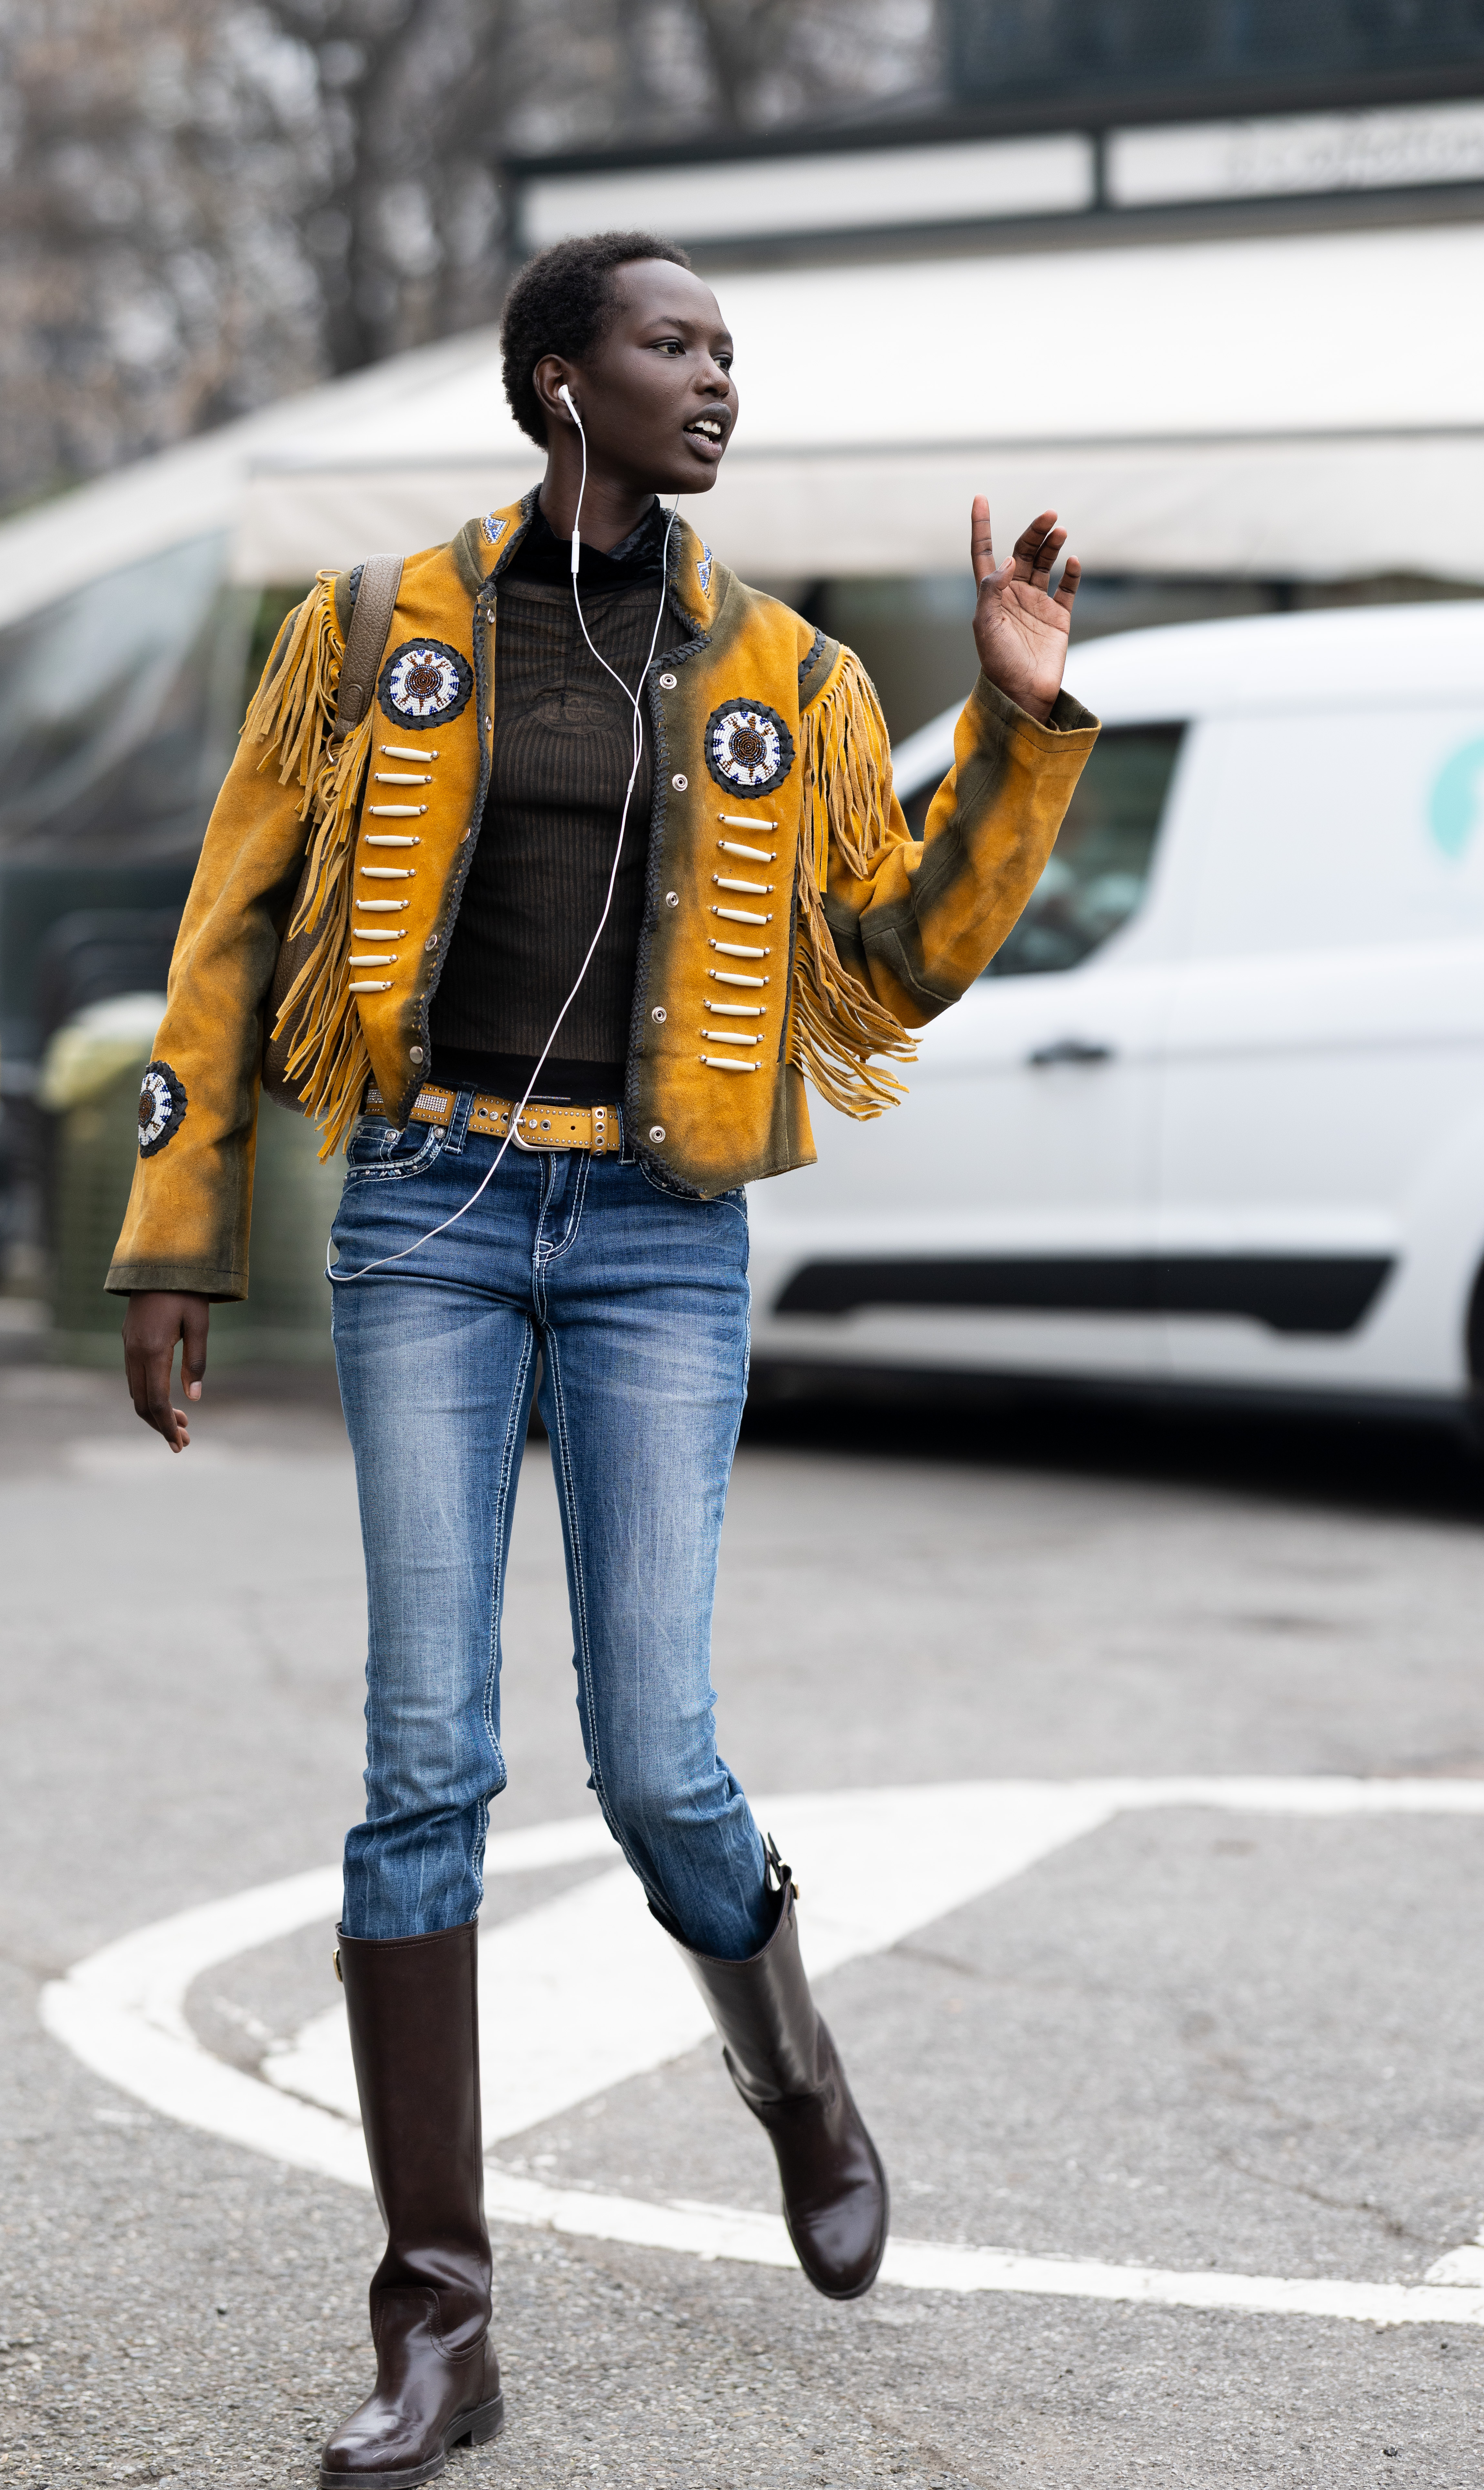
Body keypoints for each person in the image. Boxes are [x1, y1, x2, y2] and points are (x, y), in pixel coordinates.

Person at [108, 230, 1098, 2488]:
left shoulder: (793, 672)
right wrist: (171, 1238)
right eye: (673, 344)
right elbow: (229, 923)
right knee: (420, 1761)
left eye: (731, 347)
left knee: (656, 1764)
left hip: (660, 1236)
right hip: (425, 1218)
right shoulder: (374, 633)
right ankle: (439, 2324)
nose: (716, 378)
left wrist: (1017, 721)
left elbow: (902, 957)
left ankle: (796, 2076)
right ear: (559, 383)